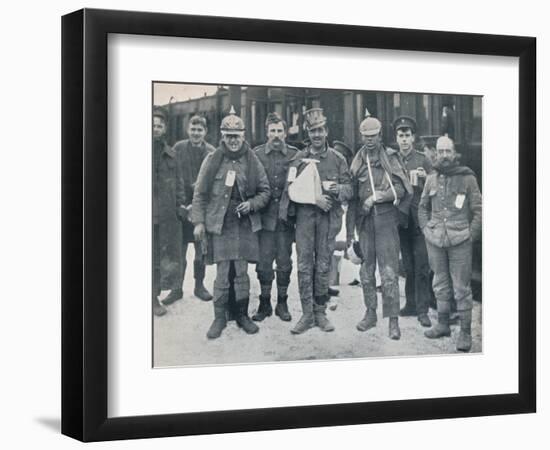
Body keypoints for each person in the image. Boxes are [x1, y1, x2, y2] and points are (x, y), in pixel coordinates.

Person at [191, 107, 271, 339]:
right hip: (221, 223)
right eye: (228, 136)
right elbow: (200, 194)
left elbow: (264, 191)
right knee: (223, 271)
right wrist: (199, 222)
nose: (233, 141)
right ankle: (219, 317)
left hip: (244, 224)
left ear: (243, 136)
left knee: (242, 272)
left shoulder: (252, 159)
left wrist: (252, 205)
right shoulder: (212, 159)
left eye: (237, 136)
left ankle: (243, 315)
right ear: (222, 137)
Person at [280, 108, 353, 334]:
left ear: (327, 131)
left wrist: (339, 189)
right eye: (313, 131)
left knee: (323, 266)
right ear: (308, 134)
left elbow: (350, 190)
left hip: (328, 221)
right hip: (304, 221)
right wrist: (314, 199)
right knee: (304, 266)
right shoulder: (298, 159)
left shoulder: (338, 159)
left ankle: (320, 312)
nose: (317, 135)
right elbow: (289, 190)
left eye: (320, 130)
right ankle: (307, 314)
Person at [347, 116, 412, 340]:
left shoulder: (391, 158)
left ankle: (393, 321)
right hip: (365, 224)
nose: (370, 140)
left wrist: (376, 197)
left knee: (389, 273)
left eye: (373, 136)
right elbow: (352, 192)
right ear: (361, 137)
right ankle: (370, 313)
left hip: (385, 222)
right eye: (366, 137)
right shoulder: (357, 161)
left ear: (380, 136)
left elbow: (402, 189)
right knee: (366, 272)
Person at [419, 136, 482, 352]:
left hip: (460, 240)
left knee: (461, 288)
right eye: (440, 151)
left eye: (448, 151)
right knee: (439, 282)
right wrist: (426, 229)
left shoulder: (467, 178)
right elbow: (422, 207)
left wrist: (471, 235)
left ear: (454, 153)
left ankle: (465, 333)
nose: (444, 155)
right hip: (435, 239)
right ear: (435, 154)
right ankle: (443, 324)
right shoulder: (431, 179)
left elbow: (479, 209)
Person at [252, 113, 299, 322]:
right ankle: (264, 303)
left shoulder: (295, 155)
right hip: (264, 219)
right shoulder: (256, 155)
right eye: (272, 131)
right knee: (263, 263)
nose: (276, 135)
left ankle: (282, 302)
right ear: (267, 133)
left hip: (285, 220)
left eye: (280, 130)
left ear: (286, 132)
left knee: (284, 262)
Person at [165, 115, 216, 305]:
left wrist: (197, 206)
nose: (196, 133)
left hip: (201, 209)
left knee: (200, 250)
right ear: (188, 130)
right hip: (181, 208)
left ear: (205, 132)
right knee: (179, 250)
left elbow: (212, 182)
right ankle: (176, 288)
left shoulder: (212, 152)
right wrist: (181, 204)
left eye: (200, 130)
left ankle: (199, 285)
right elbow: (171, 177)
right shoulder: (178, 148)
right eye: (193, 129)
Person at [393, 116, 433, 328]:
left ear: (413, 137)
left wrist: (426, 177)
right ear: (396, 138)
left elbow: (436, 185)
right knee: (407, 265)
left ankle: (423, 310)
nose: (404, 140)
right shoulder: (392, 160)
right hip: (401, 220)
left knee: (422, 266)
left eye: (408, 136)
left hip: (419, 220)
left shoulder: (423, 159)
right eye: (401, 136)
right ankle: (410, 303)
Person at [152, 108, 183, 316]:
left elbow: (179, 185)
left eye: (159, 126)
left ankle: (153, 297)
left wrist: (180, 205)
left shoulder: (171, 155)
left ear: (165, 129)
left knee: (156, 257)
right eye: (152, 125)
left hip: (163, 216)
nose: (155, 129)